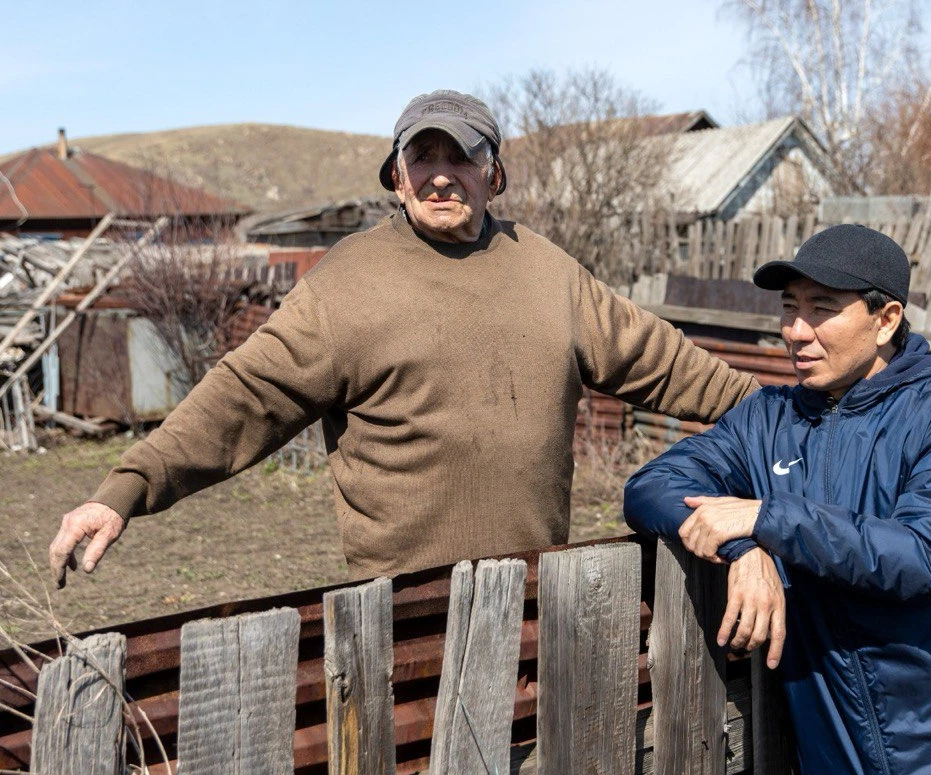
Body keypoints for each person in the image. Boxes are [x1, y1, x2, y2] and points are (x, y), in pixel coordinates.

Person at [49, 89, 759, 587]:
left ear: (493, 174)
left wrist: (784, 421)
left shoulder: (549, 273)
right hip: (402, 611)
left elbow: (669, 365)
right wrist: (123, 492)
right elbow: (243, 397)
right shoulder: (347, 284)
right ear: (396, 174)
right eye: (424, 156)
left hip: (541, 596)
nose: (442, 174)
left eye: (462, 156)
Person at [623, 224, 931, 775]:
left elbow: (927, 555)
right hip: (835, 770)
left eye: (823, 309)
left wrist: (768, 519)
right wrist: (745, 550)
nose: (797, 331)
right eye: (790, 308)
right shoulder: (768, 419)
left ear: (886, 319)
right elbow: (653, 484)